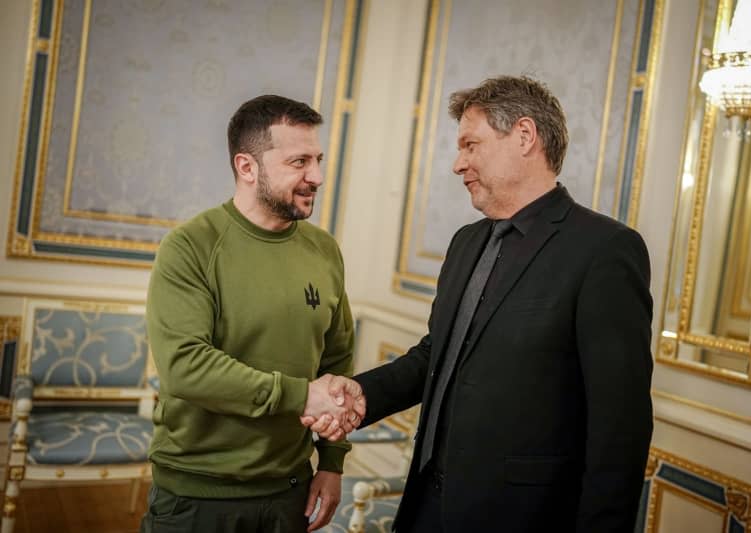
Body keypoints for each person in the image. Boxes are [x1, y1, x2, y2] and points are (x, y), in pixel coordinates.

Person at [305, 75, 654, 532]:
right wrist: (362, 394)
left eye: (471, 145)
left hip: (523, 519)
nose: (458, 164)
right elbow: (438, 354)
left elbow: (620, 428)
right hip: (426, 508)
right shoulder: (466, 242)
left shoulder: (605, 250)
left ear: (524, 136)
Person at [143, 94, 365, 533]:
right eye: (299, 162)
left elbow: (336, 361)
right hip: (196, 495)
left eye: (318, 160)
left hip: (290, 492)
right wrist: (302, 396)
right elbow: (186, 367)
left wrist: (332, 462)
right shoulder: (190, 247)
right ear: (247, 167)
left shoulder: (324, 251)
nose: (317, 177)